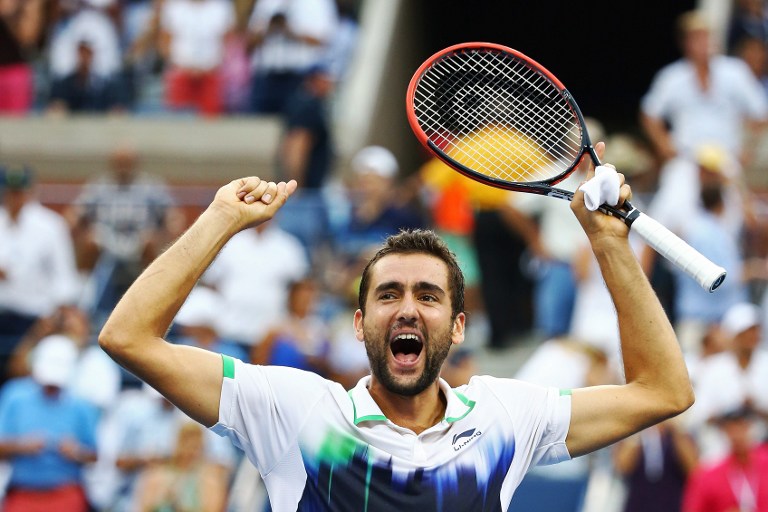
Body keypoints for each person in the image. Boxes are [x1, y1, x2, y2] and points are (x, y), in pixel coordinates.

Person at [99, 142, 696, 509]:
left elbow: (663, 392)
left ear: (459, 328)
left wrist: (608, 243)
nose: (408, 308)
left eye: (428, 296)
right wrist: (220, 220)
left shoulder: (503, 418)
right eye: (389, 295)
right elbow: (128, 337)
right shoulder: (298, 411)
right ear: (359, 324)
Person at [639, 9, 768, 167]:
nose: (704, 43)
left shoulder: (735, 72)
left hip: (727, 159)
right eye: (696, 38)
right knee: (673, 191)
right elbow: (649, 114)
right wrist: (664, 145)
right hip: (685, 159)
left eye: (706, 37)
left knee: (734, 191)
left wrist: (749, 149)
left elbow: (761, 113)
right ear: (684, 43)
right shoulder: (671, 77)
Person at [0, 165, 81, 385]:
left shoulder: (50, 226)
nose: (15, 197)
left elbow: (65, 278)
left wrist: (53, 316)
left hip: (35, 317)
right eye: (10, 191)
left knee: (23, 372)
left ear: (30, 192)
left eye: (20, 191)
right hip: (3, 312)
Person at [0, 335, 99, 512]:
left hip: (66, 492)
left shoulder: (81, 405)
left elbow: (94, 456)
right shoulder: (15, 395)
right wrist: (22, 446)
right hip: (22, 492)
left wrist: (75, 451)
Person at [682, 404, 768, 512]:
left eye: (741, 426)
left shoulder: (764, 462)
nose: (737, 435)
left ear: (751, 427)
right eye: (731, 429)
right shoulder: (708, 474)